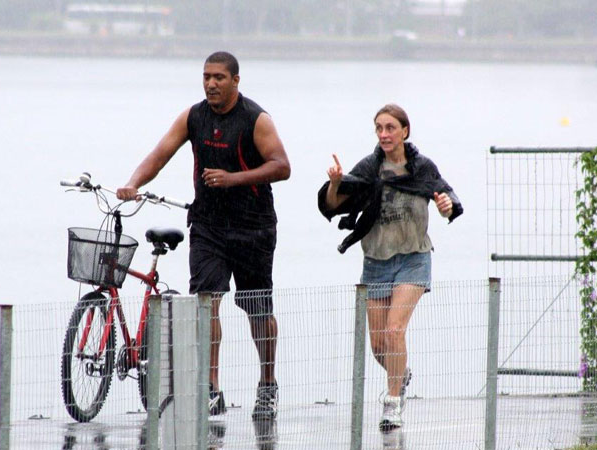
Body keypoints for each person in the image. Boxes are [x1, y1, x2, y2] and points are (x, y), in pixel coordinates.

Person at [117, 51, 290, 420]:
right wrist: (133, 182)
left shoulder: (255, 120)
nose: (211, 83)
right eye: (206, 76)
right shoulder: (194, 116)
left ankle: (268, 383)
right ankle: (212, 388)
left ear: (235, 81)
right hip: (209, 226)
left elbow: (282, 166)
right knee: (207, 301)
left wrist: (233, 179)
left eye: (219, 78)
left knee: (257, 309)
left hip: (253, 228)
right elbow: (160, 153)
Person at [317, 104, 462, 430]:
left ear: (404, 131)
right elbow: (334, 205)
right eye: (379, 128)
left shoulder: (422, 167)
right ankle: (402, 374)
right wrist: (336, 183)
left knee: (396, 331)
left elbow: (446, 199)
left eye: (390, 128)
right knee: (380, 346)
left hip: (414, 257)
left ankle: (392, 403)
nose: (384, 134)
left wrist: (445, 205)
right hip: (376, 261)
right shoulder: (369, 167)